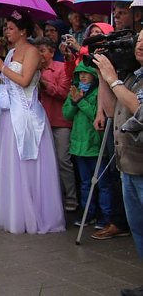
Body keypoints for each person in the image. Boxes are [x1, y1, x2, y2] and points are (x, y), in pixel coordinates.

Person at [0, 12, 65, 234]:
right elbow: (9, 81)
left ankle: (35, 212)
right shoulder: (10, 52)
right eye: (6, 27)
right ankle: (14, 211)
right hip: (10, 113)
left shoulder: (32, 51)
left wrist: (2, 67)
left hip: (27, 114)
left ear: (22, 31)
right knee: (11, 163)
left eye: (11, 28)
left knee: (28, 162)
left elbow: (25, 80)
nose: (6, 31)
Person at [92, 31, 143, 296]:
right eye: (139, 40)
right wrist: (103, 76)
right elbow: (112, 110)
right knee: (138, 230)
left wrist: (113, 79)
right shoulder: (133, 77)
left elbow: (138, 108)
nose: (140, 44)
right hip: (128, 168)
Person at [63, 61, 112, 229]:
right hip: (79, 146)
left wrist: (80, 101)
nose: (82, 76)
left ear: (94, 75)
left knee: (103, 184)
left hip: (95, 145)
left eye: (86, 73)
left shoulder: (100, 92)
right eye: (80, 74)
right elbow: (66, 114)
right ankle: (88, 215)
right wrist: (73, 101)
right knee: (85, 183)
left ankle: (106, 217)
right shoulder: (75, 90)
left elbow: (96, 115)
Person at [33, 36, 76, 212]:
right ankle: (50, 198)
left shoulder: (61, 68)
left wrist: (43, 83)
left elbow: (64, 93)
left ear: (52, 52)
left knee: (63, 160)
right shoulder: (31, 70)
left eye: (42, 51)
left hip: (59, 121)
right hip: (38, 122)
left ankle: (71, 197)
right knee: (43, 162)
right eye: (37, 52)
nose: (39, 55)